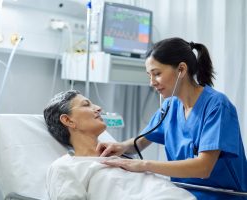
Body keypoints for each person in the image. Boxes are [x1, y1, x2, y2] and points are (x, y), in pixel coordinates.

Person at [97, 37, 247, 200]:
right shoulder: (170, 106)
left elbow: (203, 167)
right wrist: (120, 147)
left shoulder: (217, 106)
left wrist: (144, 165)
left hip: (222, 196)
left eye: (157, 74)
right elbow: (140, 142)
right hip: (183, 193)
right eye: (149, 76)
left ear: (181, 69)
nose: (152, 83)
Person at [43, 90, 196, 200]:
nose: (98, 108)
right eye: (86, 105)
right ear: (68, 120)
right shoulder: (65, 167)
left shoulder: (124, 158)